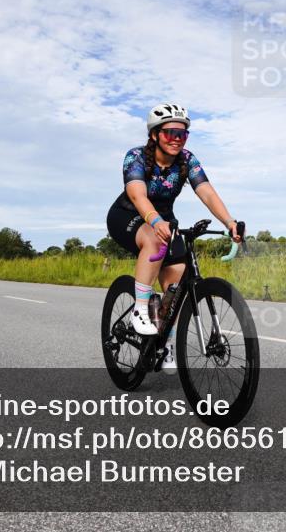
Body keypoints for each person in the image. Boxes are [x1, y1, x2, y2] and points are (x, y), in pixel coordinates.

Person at [106, 103, 241, 373]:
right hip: (128, 216)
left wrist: (229, 222)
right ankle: (140, 309)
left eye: (182, 134)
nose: (177, 139)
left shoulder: (187, 160)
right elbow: (137, 195)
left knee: (175, 284)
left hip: (166, 221)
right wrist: (154, 220)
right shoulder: (136, 157)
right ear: (155, 134)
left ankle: (164, 340)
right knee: (154, 240)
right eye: (170, 133)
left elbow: (207, 192)